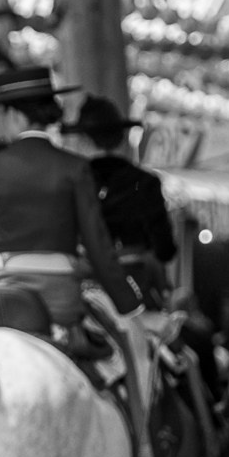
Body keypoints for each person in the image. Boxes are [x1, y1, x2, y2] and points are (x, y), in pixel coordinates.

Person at [0, 64, 155, 457]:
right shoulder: (75, 168)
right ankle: (140, 453)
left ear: (15, 116)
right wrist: (129, 305)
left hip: (4, 290)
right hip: (60, 297)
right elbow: (98, 249)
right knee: (132, 351)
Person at [61, 95, 178, 305]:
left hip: (84, 287)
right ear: (120, 137)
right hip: (136, 282)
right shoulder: (145, 182)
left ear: (84, 139)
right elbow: (165, 248)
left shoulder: (72, 180)